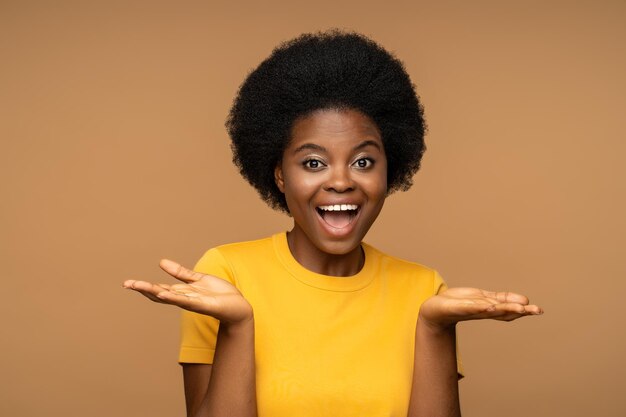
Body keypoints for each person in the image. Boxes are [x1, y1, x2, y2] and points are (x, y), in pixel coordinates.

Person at [123, 30, 543, 417]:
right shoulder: (224, 275)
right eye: (313, 162)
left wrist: (434, 328)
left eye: (363, 161)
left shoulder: (424, 290)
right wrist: (238, 326)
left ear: (388, 170)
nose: (341, 181)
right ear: (280, 174)